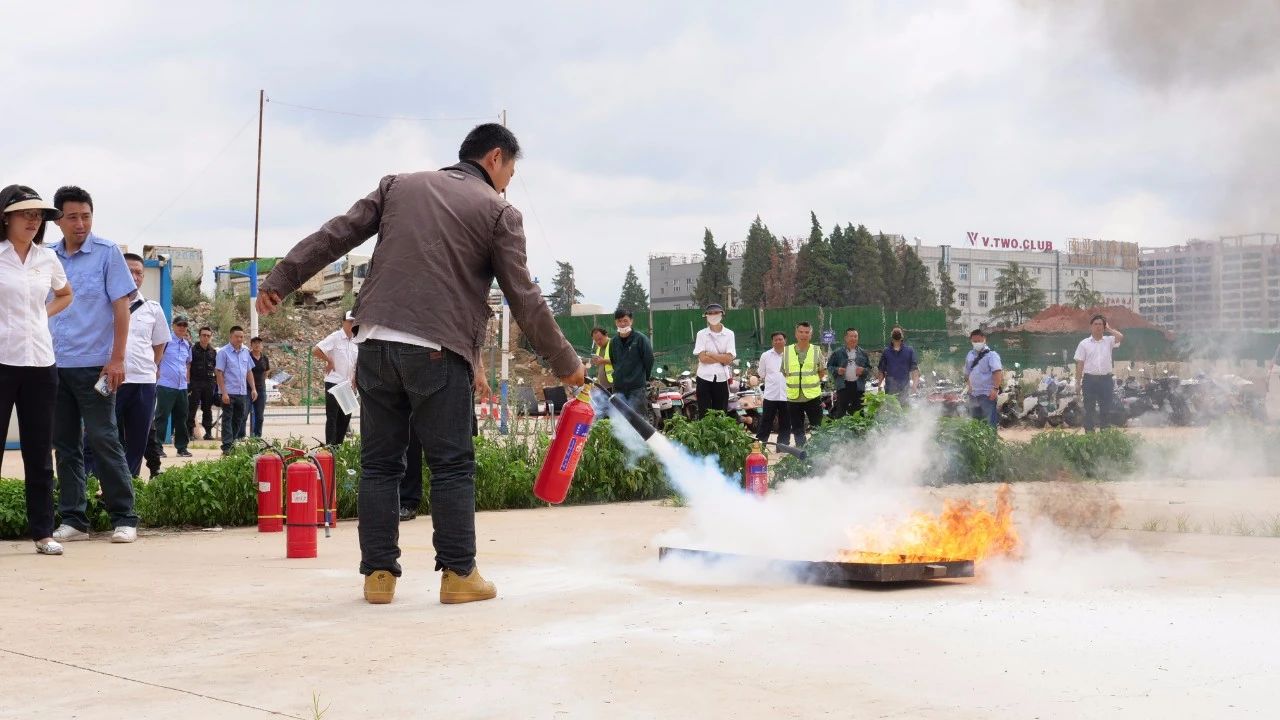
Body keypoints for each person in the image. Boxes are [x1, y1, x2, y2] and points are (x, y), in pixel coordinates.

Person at [256, 123, 585, 606]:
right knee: (451, 465)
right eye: (510, 173)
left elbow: (336, 233)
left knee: (379, 465)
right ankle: (458, 574)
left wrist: (283, 278)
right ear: (495, 157)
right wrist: (565, 362)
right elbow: (524, 296)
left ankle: (378, 577)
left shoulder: (398, 186)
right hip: (437, 350)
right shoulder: (499, 212)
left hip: (373, 344)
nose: (506, 186)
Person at [46, 186, 139, 544]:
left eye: (86, 216)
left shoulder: (106, 252)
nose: (80, 224)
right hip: (55, 365)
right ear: (58, 220)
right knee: (65, 445)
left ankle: (124, 517)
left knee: (103, 438)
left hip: (96, 366)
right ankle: (74, 520)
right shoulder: (47, 256)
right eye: (72, 217)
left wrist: (117, 358)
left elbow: (121, 307)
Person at [0, 186, 74, 555]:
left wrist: (40, 317)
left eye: (38, 215)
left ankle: (43, 532)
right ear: (6, 217)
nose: (33, 220)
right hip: (2, 361)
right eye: (25, 213)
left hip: (41, 364)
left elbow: (65, 293)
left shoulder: (47, 258)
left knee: (40, 452)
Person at [107, 253, 170, 478]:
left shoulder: (152, 308)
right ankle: (97, 482)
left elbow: (159, 343)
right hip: (111, 381)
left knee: (138, 438)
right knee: (102, 435)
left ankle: (128, 484)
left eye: (139, 273)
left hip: (143, 382)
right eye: (129, 271)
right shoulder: (104, 305)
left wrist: (150, 367)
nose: (134, 277)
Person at [145, 315, 193, 478]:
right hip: (166, 384)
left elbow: (187, 363)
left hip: (181, 386)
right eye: (179, 325)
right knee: (162, 417)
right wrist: (156, 372)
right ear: (173, 326)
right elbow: (156, 358)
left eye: (185, 325)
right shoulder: (166, 342)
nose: (182, 328)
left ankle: (182, 447)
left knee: (182, 417)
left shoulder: (187, 344)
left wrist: (187, 379)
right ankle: (158, 447)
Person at [1074, 314, 1124, 433]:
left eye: (1100, 324)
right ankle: (1089, 435)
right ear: (1091, 326)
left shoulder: (1109, 341)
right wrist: (1077, 382)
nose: (1098, 327)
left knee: (1106, 409)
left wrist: (1109, 329)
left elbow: (1120, 337)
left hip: (1106, 380)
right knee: (1089, 409)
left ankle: (1105, 435)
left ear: (1104, 326)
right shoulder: (1084, 344)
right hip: (1089, 380)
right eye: (1095, 324)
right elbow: (1080, 364)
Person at [315, 313, 358, 446]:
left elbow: (356, 364)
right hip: (334, 383)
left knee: (345, 417)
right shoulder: (335, 337)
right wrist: (329, 361)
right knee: (332, 416)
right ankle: (330, 447)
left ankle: (338, 447)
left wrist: (355, 379)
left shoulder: (356, 341)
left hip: (348, 385)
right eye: (349, 321)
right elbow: (316, 350)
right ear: (343, 322)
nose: (352, 324)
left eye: (354, 322)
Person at [782, 321, 826, 447]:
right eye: (801, 332)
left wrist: (808, 382)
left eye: (807, 332)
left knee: (817, 427)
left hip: (812, 396)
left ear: (810, 335)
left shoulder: (816, 350)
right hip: (793, 397)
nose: (804, 335)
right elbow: (785, 372)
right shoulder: (787, 351)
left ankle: (818, 451)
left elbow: (821, 372)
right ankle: (801, 451)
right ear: (796, 334)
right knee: (797, 429)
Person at [215, 325, 257, 455]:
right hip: (228, 392)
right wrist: (224, 392)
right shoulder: (223, 352)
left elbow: (249, 371)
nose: (239, 339)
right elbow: (219, 373)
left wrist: (253, 388)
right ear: (231, 337)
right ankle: (227, 446)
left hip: (242, 392)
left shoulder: (245, 351)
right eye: (237, 336)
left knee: (239, 418)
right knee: (227, 418)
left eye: (242, 337)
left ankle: (232, 443)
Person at [607, 309, 654, 417]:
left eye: (625, 320)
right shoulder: (613, 342)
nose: (622, 324)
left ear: (631, 321)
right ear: (615, 322)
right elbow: (614, 361)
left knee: (639, 419)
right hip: (619, 388)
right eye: (619, 321)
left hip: (637, 388)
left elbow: (649, 360)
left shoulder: (640, 339)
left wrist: (643, 377)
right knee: (620, 419)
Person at [693, 303, 736, 418]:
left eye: (716, 313)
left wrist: (711, 354)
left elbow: (728, 359)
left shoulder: (729, 334)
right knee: (704, 413)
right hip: (703, 377)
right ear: (706, 316)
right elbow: (703, 358)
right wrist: (721, 357)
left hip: (722, 377)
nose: (713, 315)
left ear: (722, 314)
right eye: (710, 313)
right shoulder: (701, 334)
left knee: (721, 413)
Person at [755, 331, 792, 447]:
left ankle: (783, 447)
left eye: (780, 339)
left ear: (785, 341)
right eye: (775, 340)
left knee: (786, 422)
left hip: (788, 394)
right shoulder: (765, 356)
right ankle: (760, 446)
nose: (778, 341)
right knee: (766, 421)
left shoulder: (792, 355)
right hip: (771, 395)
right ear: (772, 342)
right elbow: (761, 373)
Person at [827, 328, 872, 419]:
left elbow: (869, 369)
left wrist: (863, 370)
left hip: (858, 387)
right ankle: (841, 427)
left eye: (855, 336)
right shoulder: (837, 353)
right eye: (851, 336)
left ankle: (858, 428)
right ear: (846, 338)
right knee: (841, 412)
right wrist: (837, 370)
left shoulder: (863, 353)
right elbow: (829, 367)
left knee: (858, 412)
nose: (853, 338)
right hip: (843, 386)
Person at [963, 328, 1003, 428]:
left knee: (989, 423)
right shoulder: (970, 355)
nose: (977, 343)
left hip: (987, 395)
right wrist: (968, 386)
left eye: (979, 341)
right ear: (971, 341)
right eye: (974, 341)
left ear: (984, 340)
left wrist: (995, 389)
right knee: (975, 423)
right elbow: (967, 372)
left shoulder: (992, 355)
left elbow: (997, 372)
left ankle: (991, 438)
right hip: (973, 395)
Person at [187, 325, 218, 440]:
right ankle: (190, 433)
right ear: (199, 336)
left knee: (207, 408)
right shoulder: (192, 350)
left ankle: (208, 433)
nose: (206, 337)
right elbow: (188, 366)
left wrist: (217, 384)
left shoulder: (213, 352)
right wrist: (188, 382)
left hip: (209, 383)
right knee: (192, 408)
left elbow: (216, 369)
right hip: (195, 382)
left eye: (208, 336)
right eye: (204, 335)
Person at [877, 324, 920, 401]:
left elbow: (915, 369)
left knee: (905, 408)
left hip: (904, 390)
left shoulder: (909, 351)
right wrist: (879, 386)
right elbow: (881, 371)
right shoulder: (886, 351)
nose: (896, 332)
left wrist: (914, 386)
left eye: (898, 331)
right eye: (894, 331)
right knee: (891, 408)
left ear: (902, 335)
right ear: (891, 335)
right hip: (889, 390)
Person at [248, 337, 271, 437]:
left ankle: (257, 437)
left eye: (259, 343)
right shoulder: (247, 356)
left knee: (259, 416)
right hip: (248, 389)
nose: (257, 345)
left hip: (261, 389)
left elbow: (267, 370)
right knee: (244, 414)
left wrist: (262, 380)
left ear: (262, 345)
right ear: (251, 345)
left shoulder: (264, 358)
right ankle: (240, 437)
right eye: (255, 343)